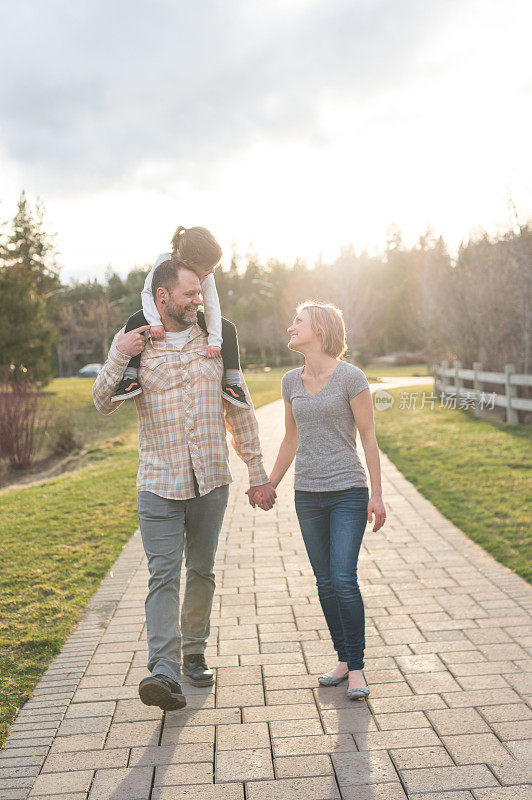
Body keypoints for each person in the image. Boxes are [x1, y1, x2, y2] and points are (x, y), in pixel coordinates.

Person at [92, 257, 276, 711]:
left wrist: (257, 474)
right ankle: (164, 672)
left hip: (211, 481)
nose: (199, 300)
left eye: (201, 293)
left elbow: (240, 409)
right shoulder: (136, 343)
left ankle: (193, 652)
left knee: (201, 571)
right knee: (162, 577)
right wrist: (119, 353)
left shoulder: (216, 342)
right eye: (190, 293)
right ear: (163, 297)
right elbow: (102, 403)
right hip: (158, 484)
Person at [264, 301, 386, 700]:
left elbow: (369, 438)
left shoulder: (351, 377)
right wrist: (270, 484)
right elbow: (290, 440)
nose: (290, 327)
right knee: (324, 583)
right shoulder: (290, 381)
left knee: (343, 579)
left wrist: (378, 496)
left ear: (320, 327)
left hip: (349, 493)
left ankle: (358, 670)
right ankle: (343, 659)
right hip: (308, 496)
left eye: (298, 320)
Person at [111, 225, 249, 409]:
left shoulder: (206, 277)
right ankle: (129, 378)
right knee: (135, 323)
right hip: (156, 311)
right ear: (189, 261)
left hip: (191, 314)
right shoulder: (164, 261)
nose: (213, 271)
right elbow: (147, 292)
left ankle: (233, 384)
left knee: (228, 328)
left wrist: (215, 341)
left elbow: (212, 307)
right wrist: (154, 322)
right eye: (209, 267)